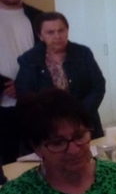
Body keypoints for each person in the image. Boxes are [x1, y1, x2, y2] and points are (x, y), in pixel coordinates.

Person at [16, 11, 107, 139]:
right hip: (48, 126)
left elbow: (98, 85)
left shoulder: (83, 53)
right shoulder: (29, 59)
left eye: (61, 30)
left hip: (84, 120)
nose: (57, 36)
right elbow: (25, 93)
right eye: (50, 32)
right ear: (40, 36)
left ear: (67, 31)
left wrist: (81, 112)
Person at [0, 0, 43, 164]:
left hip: (33, 100)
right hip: (2, 103)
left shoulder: (37, 17)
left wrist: (22, 85)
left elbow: (48, 55)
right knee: (6, 161)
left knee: (38, 156)